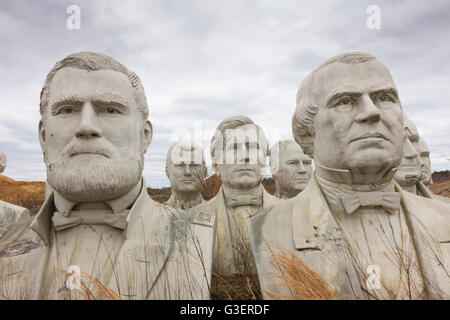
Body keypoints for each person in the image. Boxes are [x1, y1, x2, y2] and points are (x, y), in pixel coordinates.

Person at [0, 52, 214, 300]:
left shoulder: (196, 237)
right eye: (67, 109)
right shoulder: (7, 244)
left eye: (110, 109)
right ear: (42, 136)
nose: (86, 126)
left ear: (144, 136)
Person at [251, 52, 450, 300]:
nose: (371, 112)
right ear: (307, 131)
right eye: (345, 101)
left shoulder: (445, 219)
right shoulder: (269, 229)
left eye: (385, 98)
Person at [188, 115, 279, 298]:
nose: (245, 156)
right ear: (216, 162)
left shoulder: (292, 214)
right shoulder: (189, 221)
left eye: (253, 148)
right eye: (234, 148)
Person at [164, 141, 207, 209]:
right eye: (180, 165)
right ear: (167, 171)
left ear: (205, 172)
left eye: (194, 165)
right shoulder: (152, 217)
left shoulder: (222, 214)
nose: (187, 172)